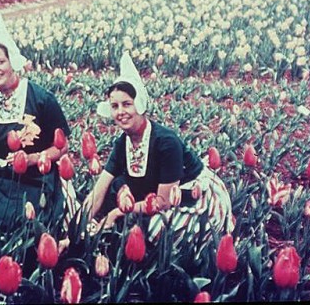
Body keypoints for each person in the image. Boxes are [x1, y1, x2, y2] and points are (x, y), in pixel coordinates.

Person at [83, 52, 234, 243]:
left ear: (140, 105)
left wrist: (114, 214)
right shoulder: (123, 142)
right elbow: (99, 189)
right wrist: (76, 225)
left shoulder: (166, 142)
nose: (120, 112)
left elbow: (163, 202)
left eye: (127, 104)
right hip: (153, 192)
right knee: (115, 191)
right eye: (115, 106)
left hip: (189, 197)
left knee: (154, 231)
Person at [0, 13, 78, 234]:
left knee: (30, 224)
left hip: (34, 179)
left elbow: (62, 146)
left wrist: (32, 159)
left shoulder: (41, 99)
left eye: (0, 61)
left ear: (12, 61)